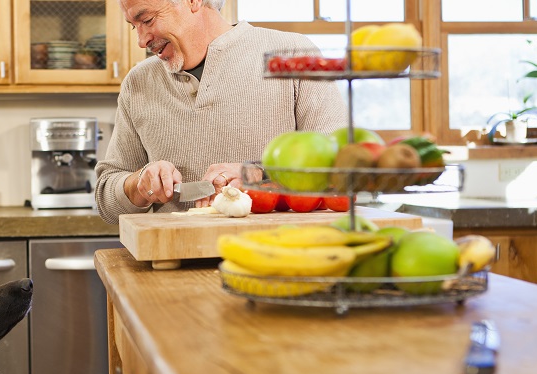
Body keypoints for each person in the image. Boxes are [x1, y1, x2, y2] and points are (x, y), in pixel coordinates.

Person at [94, 0, 348, 224]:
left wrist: (259, 176)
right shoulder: (138, 82)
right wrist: (140, 183)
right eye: (133, 25)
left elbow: (341, 170)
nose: (141, 40)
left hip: (275, 256)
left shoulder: (292, 54)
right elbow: (107, 199)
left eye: (147, 20)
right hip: (173, 257)